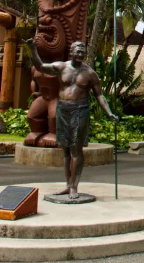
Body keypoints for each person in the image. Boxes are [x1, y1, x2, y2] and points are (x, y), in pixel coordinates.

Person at [25, 39, 118, 199]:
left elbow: (99, 96)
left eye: (83, 52)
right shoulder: (62, 67)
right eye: (78, 51)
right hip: (63, 109)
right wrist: (33, 49)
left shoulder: (90, 73)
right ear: (72, 52)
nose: (81, 54)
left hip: (80, 109)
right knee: (66, 150)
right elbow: (40, 67)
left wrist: (109, 112)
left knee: (76, 149)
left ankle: (74, 186)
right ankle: (68, 185)